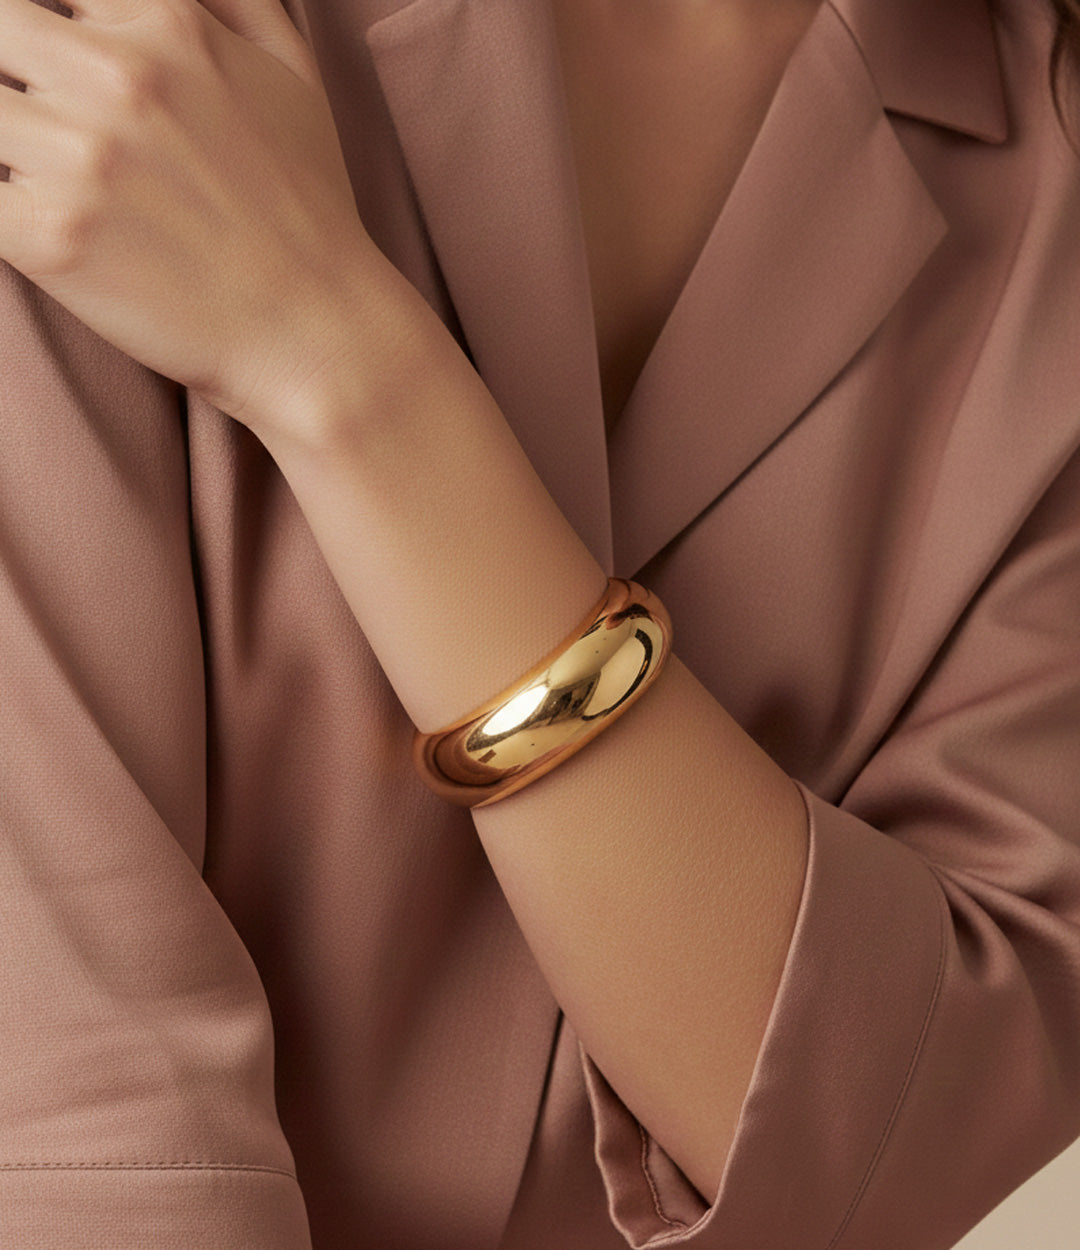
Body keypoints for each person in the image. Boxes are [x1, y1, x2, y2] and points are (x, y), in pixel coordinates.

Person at [0, 0, 1078, 1246]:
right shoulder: (122, 41)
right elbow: (80, 1141)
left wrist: (344, 362)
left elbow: (901, 1147)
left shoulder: (1052, 210)